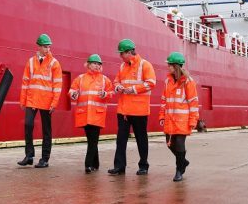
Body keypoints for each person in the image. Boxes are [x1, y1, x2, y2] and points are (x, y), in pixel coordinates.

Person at [108, 39, 156, 176]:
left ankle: (143, 166)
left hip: (139, 111)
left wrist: (133, 89)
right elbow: (116, 80)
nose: (120, 56)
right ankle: (119, 166)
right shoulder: (123, 66)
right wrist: (118, 86)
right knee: (121, 140)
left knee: (141, 139)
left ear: (130, 52)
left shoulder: (145, 65)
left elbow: (151, 83)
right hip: (123, 110)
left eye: (122, 53)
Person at [18, 33, 62, 168]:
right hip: (32, 100)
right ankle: (29, 155)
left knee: (46, 130)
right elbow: (25, 82)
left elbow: (57, 84)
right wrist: (23, 100)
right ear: (38, 47)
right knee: (28, 125)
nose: (47, 49)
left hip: (47, 102)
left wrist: (54, 103)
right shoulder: (31, 62)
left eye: (48, 47)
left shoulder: (54, 63)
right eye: (44, 46)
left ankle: (45, 159)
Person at [69, 54, 114, 173]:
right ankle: (96, 163)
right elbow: (72, 90)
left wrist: (105, 94)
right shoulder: (81, 78)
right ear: (88, 64)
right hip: (84, 114)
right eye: (94, 63)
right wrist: (73, 94)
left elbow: (111, 92)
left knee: (93, 140)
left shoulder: (104, 79)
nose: (97, 66)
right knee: (91, 140)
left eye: (99, 64)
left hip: (97, 114)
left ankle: (88, 164)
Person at [159, 52, 199, 182]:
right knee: (169, 144)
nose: (168, 67)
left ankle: (179, 171)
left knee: (180, 144)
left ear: (175, 66)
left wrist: (193, 120)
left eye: (169, 65)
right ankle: (183, 161)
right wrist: (161, 116)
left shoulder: (188, 82)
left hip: (182, 120)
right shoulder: (167, 81)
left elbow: (193, 102)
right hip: (170, 119)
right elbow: (164, 100)